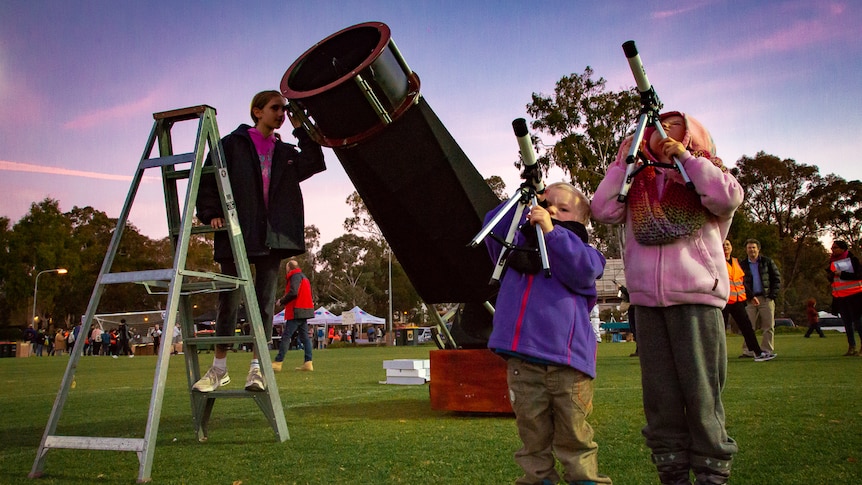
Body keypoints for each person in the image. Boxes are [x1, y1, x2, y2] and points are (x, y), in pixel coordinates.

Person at [592, 111, 742, 484]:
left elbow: (726, 199)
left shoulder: (705, 175)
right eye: (654, 124)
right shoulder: (636, 180)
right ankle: (671, 468)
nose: (661, 128)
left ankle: (711, 470)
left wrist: (688, 160)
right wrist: (622, 160)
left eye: (674, 124)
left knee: (702, 394)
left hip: (695, 298)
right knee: (660, 397)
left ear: (693, 135)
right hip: (647, 300)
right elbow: (602, 208)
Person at [193, 90, 325, 392]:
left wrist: (300, 127)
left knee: (265, 303)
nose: (280, 113)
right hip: (237, 232)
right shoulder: (231, 144)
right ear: (257, 111)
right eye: (275, 108)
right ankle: (219, 368)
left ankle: (257, 369)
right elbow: (208, 177)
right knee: (228, 299)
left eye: (284, 109)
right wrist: (211, 213)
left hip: (271, 235)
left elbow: (315, 161)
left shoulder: (285, 151)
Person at [485, 181, 612, 485]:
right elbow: (492, 224)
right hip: (523, 362)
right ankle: (537, 479)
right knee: (532, 434)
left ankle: (585, 480)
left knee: (574, 435)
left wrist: (552, 233)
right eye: (547, 202)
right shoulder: (518, 247)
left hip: (567, 366)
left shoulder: (588, 254)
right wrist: (522, 200)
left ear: (582, 222)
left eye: (563, 208)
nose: (552, 209)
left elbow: (580, 269)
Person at [722, 239, 776, 361]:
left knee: (747, 327)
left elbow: (741, 282)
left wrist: (751, 297)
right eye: (723, 245)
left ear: (731, 247)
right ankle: (717, 355)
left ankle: (758, 353)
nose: (725, 247)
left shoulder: (736, 262)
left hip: (737, 301)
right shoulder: (717, 262)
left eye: (728, 244)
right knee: (721, 329)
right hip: (723, 301)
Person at [741, 239, 781, 356]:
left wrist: (772, 295)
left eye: (754, 247)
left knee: (768, 326)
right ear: (746, 250)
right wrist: (749, 296)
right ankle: (748, 351)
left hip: (766, 298)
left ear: (758, 249)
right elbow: (741, 282)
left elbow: (776, 279)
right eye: (749, 248)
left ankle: (767, 350)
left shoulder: (767, 262)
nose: (752, 250)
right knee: (748, 326)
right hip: (750, 300)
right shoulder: (742, 265)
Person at [273, 259, 314, 372]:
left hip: (296, 310)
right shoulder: (304, 276)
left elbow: (293, 292)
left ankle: (278, 362)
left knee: (286, 336)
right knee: (305, 338)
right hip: (305, 310)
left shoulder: (294, 276)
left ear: (288, 268)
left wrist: (282, 301)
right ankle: (308, 362)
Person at [827, 240, 862, 355]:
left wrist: (842, 274)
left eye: (835, 248)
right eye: (832, 248)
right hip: (841, 297)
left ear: (843, 249)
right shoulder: (832, 261)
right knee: (847, 323)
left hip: (855, 295)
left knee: (858, 322)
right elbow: (833, 279)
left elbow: (858, 275)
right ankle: (852, 346)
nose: (833, 250)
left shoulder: (853, 260)